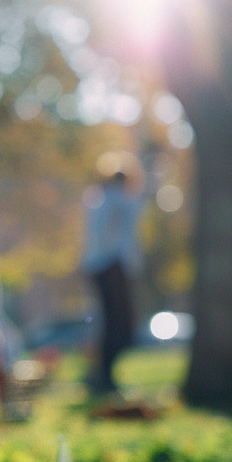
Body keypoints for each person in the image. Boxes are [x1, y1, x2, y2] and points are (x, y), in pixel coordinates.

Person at [80, 166, 143, 396]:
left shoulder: (97, 200)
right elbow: (115, 238)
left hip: (103, 266)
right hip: (113, 266)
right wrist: (120, 265)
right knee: (115, 324)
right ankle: (103, 374)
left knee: (107, 323)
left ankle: (102, 373)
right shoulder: (116, 201)